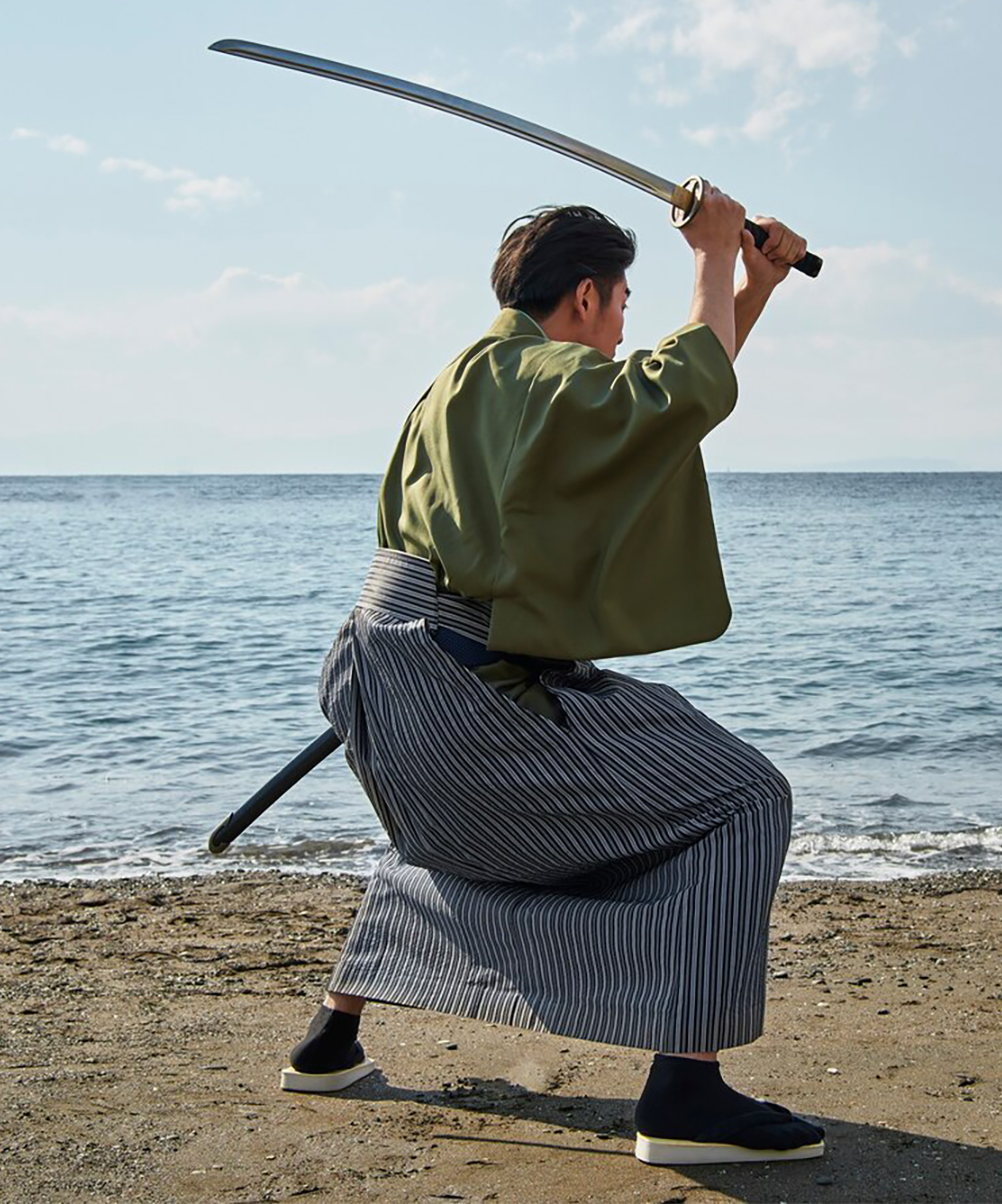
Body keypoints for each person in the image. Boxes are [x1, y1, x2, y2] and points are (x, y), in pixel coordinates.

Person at [284, 183, 823, 1165]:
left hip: (385, 693)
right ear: (584, 298)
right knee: (745, 798)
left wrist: (754, 284)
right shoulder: (545, 381)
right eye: (620, 308)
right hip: (467, 698)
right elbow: (672, 394)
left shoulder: (465, 379)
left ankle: (330, 1038)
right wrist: (710, 252)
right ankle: (684, 1093)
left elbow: (659, 410)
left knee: (435, 833)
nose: (622, 333)